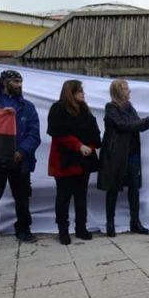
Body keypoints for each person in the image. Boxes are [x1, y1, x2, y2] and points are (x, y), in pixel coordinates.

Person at [0, 70, 41, 250]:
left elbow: (34, 134)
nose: (19, 85)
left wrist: (21, 152)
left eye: (20, 81)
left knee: (22, 197)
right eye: (14, 81)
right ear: (4, 83)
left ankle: (23, 229)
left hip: (20, 161)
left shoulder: (28, 107)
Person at [97, 80, 149, 237]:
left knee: (134, 189)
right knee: (113, 188)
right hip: (116, 155)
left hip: (132, 154)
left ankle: (135, 222)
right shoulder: (111, 108)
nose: (129, 91)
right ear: (117, 91)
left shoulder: (129, 107)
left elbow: (138, 125)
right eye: (125, 88)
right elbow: (125, 125)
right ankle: (110, 223)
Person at [47, 80, 101, 245]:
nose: (83, 94)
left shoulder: (85, 111)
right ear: (71, 93)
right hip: (65, 161)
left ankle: (81, 228)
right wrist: (78, 146)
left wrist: (89, 147)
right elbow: (58, 133)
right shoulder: (58, 109)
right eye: (79, 92)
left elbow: (94, 134)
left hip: (82, 163)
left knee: (81, 197)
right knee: (63, 198)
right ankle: (63, 230)